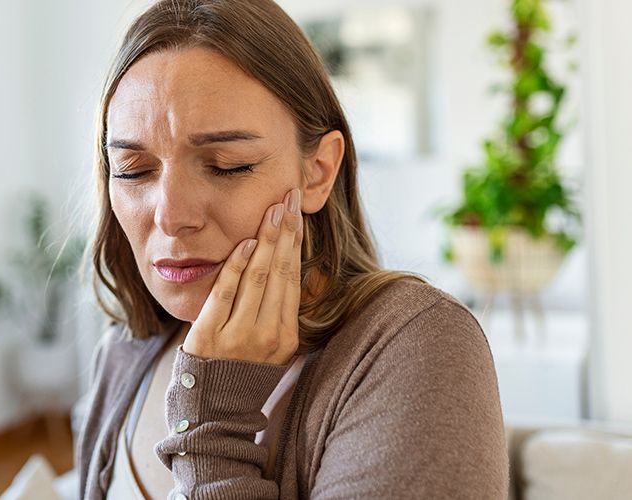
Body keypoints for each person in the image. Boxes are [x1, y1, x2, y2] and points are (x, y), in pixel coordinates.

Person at [76, 0, 509, 498]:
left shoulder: (416, 345)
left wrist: (212, 427)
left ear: (318, 171)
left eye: (226, 164)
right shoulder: (124, 351)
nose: (171, 216)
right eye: (133, 170)